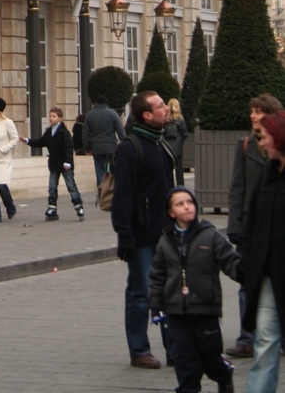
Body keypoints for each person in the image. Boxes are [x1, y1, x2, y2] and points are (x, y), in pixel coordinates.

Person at [149, 186, 242, 393]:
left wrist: (245, 272)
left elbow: (229, 261)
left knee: (210, 355)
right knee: (184, 359)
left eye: (189, 202)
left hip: (205, 308)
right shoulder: (165, 241)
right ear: (171, 212)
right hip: (176, 311)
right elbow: (157, 275)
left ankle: (223, 375)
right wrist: (155, 305)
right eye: (180, 204)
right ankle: (187, 388)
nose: (187, 207)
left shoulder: (210, 235)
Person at [111, 90, 175, 370]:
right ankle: (139, 350)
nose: (167, 108)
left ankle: (175, 349)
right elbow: (121, 195)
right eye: (161, 106)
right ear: (147, 115)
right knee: (141, 292)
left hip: (168, 233)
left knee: (172, 291)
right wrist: (125, 235)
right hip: (141, 235)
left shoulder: (162, 144)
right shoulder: (130, 148)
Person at [226, 92, 283, 359]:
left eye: (258, 111)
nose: (252, 115)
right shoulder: (245, 145)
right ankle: (246, 338)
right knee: (247, 281)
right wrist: (234, 224)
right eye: (251, 111)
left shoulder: (280, 146)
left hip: (276, 225)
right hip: (251, 225)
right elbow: (236, 187)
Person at [241, 109, 285, 393]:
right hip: (270, 274)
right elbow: (253, 221)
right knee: (265, 342)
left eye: (267, 137)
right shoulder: (267, 176)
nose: (263, 143)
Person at [20, 106, 84, 221]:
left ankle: (78, 205)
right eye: (50, 116)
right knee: (52, 186)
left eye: (53, 116)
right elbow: (41, 142)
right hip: (54, 164)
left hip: (65, 164)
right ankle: (52, 207)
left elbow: (69, 148)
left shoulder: (64, 132)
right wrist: (28, 141)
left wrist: (68, 162)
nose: (51, 118)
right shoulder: (49, 132)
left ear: (60, 118)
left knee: (71, 185)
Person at [83, 94, 126, 185]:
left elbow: (85, 134)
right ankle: (111, 191)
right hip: (111, 147)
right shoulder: (113, 113)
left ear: (95, 103)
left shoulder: (90, 115)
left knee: (99, 170)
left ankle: (101, 192)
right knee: (111, 170)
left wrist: (87, 148)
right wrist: (125, 144)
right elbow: (121, 131)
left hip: (97, 147)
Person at [163, 98, 188, 185]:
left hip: (166, 147)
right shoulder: (180, 119)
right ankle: (180, 186)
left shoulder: (165, 119)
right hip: (177, 148)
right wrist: (180, 140)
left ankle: (169, 185)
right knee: (179, 170)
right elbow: (185, 133)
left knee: (168, 168)